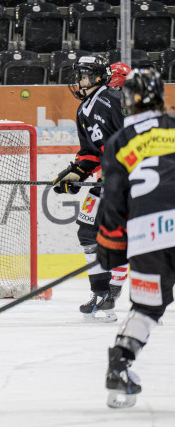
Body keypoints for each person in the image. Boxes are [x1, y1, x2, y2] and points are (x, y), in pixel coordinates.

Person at [94, 66, 173, 409]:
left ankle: (120, 365)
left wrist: (112, 251)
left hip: (147, 237)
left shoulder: (120, 141)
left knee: (146, 307)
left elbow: (114, 204)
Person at [51, 55, 127, 322]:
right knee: (87, 233)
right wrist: (74, 173)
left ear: (97, 76)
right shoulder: (84, 109)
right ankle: (101, 294)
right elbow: (90, 153)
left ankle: (143, 302)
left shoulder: (114, 100)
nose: (79, 81)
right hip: (107, 181)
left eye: (83, 75)